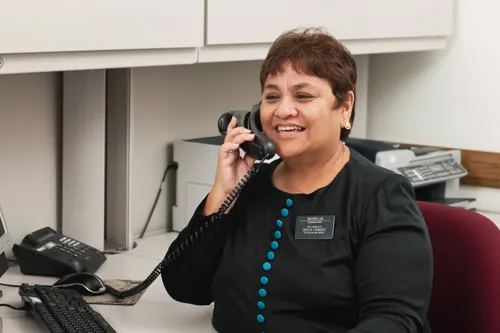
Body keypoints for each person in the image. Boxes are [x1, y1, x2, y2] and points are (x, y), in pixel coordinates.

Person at [161, 27, 433, 333]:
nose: (284, 110)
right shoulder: (248, 186)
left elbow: (396, 320)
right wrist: (222, 196)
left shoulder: (381, 196)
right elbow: (185, 288)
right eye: (272, 96)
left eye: (303, 95)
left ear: (344, 107)